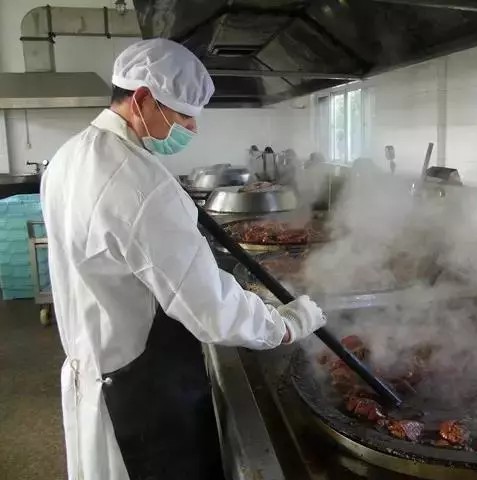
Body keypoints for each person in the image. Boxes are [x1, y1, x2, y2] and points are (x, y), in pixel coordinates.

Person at [41, 38, 326, 480]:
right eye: (184, 114)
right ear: (141, 99)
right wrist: (284, 326)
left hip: (98, 364)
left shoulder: (71, 155)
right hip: (141, 392)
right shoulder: (139, 184)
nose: (192, 127)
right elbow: (211, 310)